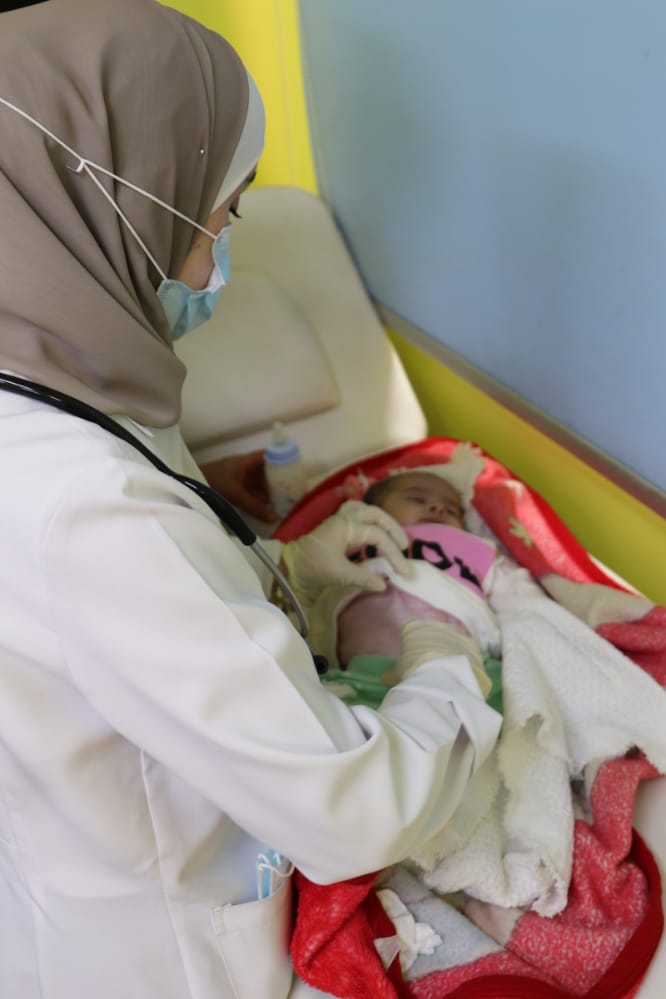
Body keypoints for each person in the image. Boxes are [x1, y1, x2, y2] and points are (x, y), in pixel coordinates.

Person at [0, 3, 502, 998]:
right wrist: (449, 664)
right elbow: (357, 811)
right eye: (219, 215)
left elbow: (143, 608)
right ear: (119, 205)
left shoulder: (57, 371)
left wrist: (273, 560)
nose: (221, 255)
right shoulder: (91, 505)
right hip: (172, 951)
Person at [315, 459, 504, 712]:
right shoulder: (349, 538)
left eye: (452, 510)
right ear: (374, 511)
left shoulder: (471, 546)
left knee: (492, 699)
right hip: (363, 671)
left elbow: (514, 590)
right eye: (417, 498)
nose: (438, 507)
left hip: (458, 663)